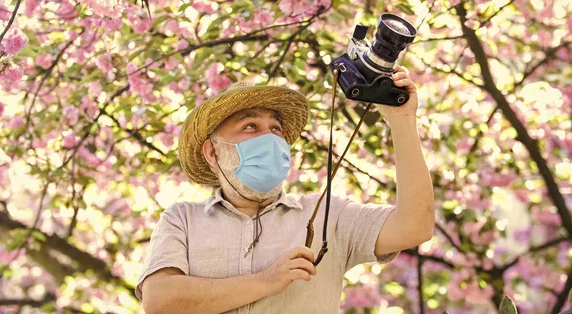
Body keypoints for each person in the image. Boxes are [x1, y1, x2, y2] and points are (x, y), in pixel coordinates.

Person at [136, 67, 434, 314]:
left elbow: (414, 226)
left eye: (275, 129)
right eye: (250, 126)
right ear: (213, 153)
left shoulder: (330, 215)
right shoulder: (182, 219)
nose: (269, 138)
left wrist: (402, 121)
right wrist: (267, 280)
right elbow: (160, 300)